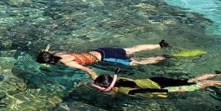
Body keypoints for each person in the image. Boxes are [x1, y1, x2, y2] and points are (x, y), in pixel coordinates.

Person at [35, 40, 169, 81]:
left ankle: (163, 58)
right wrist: (45, 53)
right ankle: (160, 45)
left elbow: (87, 68)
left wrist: (95, 78)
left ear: (48, 63)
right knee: (131, 49)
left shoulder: (67, 63)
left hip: (106, 57)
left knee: (134, 62)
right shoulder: (59, 53)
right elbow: (49, 52)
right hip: (102, 50)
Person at [93, 70, 221, 98]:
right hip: (157, 79)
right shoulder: (121, 79)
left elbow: (150, 93)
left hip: (163, 88)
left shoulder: (128, 92)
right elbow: (114, 86)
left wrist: (178, 91)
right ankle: (217, 73)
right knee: (190, 80)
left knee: (202, 85)